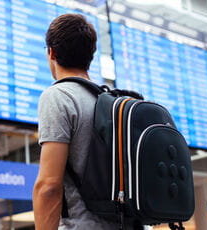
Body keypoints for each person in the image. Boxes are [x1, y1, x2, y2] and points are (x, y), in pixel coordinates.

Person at [32, 14, 121, 230]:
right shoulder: (112, 102)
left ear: (51, 52)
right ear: (90, 55)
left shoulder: (59, 96)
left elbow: (49, 186)